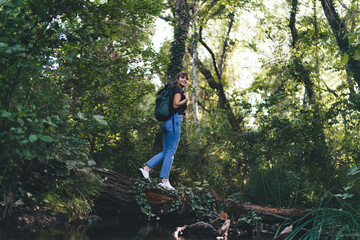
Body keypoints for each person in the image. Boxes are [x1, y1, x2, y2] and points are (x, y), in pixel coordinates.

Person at [139, 72, 189, 190]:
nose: (185, 80)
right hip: (174, 122)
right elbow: (176, 105)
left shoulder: (172, 89)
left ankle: (145, 169)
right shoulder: (178, 90)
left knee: (166, 151)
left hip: (167, 122)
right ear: (177, 79)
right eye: (182, 78)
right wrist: (186, 99)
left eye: (186, 79)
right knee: (170, 153)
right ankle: (164, 180)